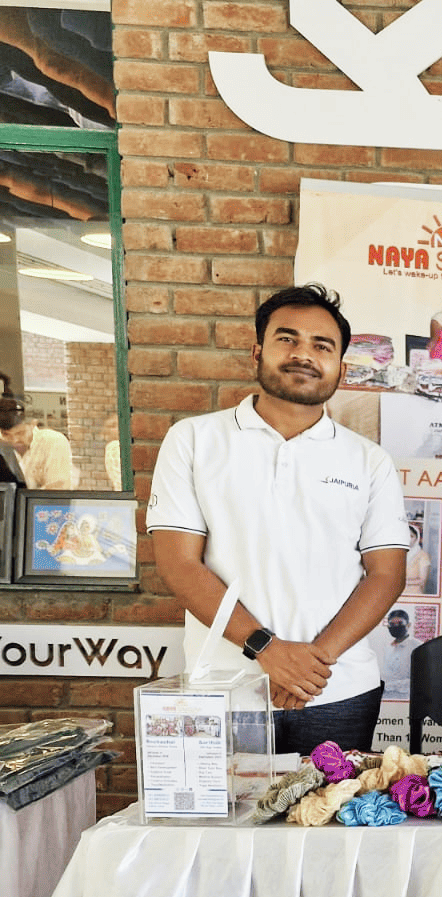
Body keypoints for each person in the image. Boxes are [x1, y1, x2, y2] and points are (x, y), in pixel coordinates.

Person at [149, 283, 409, 755]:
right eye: (287, 339)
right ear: (258, 351)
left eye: (322, 346)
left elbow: (386, 574)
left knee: (333, 804)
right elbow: (179, 564)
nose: (303, 355)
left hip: (338, 688)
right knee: (229, 807)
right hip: (225, 690)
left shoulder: (369, 461)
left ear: (341, 368)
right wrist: (266, 650)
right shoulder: (194, 440)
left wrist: (310, 666)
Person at [0, 389, 76, 489]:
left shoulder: (53, 442)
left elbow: (58, 488)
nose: (14, 440)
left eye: (20, 433)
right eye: (6, 434)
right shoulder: (3, 447)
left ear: (33, 423)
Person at [379, 609, 421, 700]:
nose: (396, 627)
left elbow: (418, 679)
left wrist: (387, 685)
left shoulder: (417, 646)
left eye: (400, 623)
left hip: (405, 698)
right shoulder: (387, 647)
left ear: (408, 625)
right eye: (392, 624)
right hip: (385, 697)